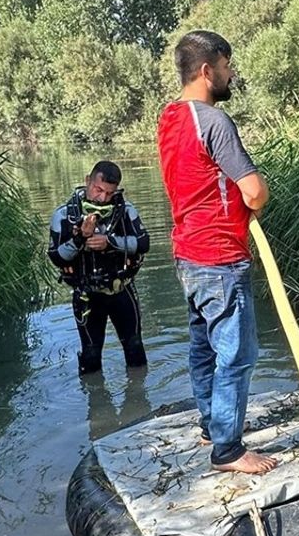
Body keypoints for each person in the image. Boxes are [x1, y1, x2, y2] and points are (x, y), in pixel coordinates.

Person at [156, 30, 277, 475]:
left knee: (203, 348)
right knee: (237, 353)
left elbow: (201, 179)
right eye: (227, 66)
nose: (231, 74)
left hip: (188, 255)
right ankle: (226, 449)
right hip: (220, 258)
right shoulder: (214, 122)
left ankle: (211, 424)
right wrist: (253, 200)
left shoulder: (170, 118)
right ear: (207, 71)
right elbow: (255, 191)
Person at [48, 161, 149, 375]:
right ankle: (96, 404)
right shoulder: (64, 215)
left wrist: (110, 242)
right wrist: (80, 238)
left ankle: (140, 398)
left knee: (134, 348)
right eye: (98, 190)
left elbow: (143, 243)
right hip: (87, 295)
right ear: (87, 181)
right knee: (90, 355)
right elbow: (57, 257)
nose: (102, 198)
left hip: (121, 290)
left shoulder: (126, 210)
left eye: (109, 193)